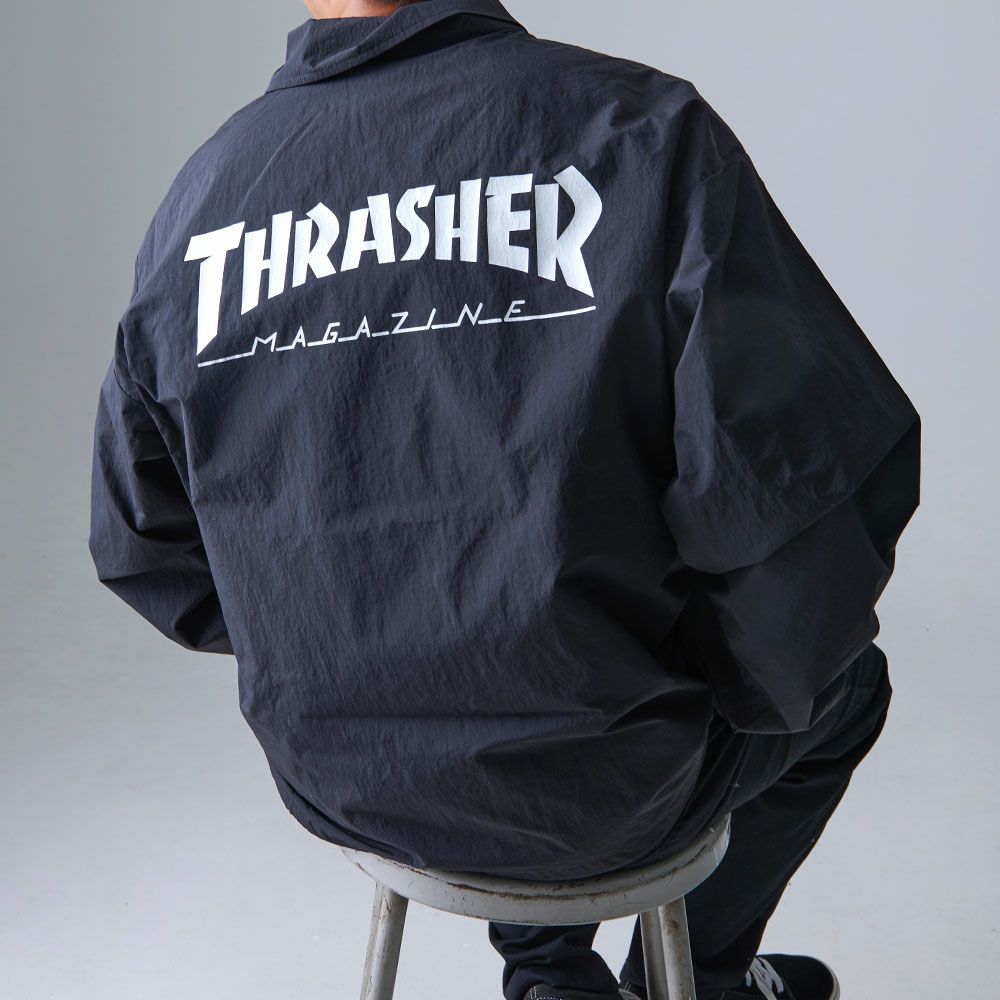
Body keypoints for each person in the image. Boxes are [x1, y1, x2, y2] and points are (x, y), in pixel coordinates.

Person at [88, 2, 920, 998]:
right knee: (848, 691)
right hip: (618, 782)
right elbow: (807, 487)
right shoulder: (639, 130)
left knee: (509, 656)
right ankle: (693, 980)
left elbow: (142, 542)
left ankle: (548, 974)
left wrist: (340, 643)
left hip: (348, 780)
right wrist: (725, 679)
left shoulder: (204, 195)